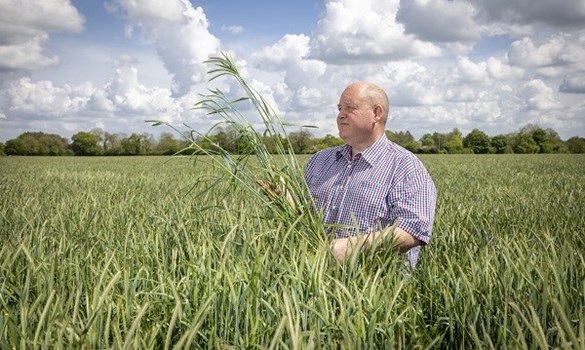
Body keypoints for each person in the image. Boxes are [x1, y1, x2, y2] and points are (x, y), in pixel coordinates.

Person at [304, 81, 436, 268]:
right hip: (314, 282)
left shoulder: (406, 167)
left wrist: (352, 247)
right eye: (340, 108)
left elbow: (413, 230)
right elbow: (303, 214)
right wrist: (283, 198)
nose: (340, 114)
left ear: (377, 113)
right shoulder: (320, 160)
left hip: (376, 287)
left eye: (350, 108)